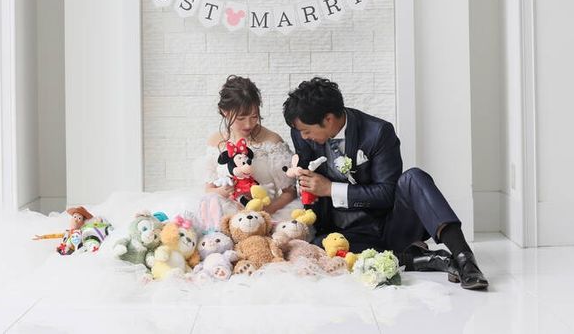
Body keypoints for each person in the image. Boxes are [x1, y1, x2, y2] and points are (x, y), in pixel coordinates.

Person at [283, 77, 489, 290]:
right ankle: (422, 259)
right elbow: (305, 167)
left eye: (307, 131)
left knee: (414, 178)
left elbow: (387, 193)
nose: (303, 136)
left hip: (389, 225)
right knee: (319, 248)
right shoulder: (301, 133)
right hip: (344, 232)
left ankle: (465, 259)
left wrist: (330, 188)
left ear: (328, 119)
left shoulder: (377, 132)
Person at [204, 75, 296, 216]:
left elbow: (290, 192)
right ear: (224, 112)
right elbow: (208, 189)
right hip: (225, 213)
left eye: (254, 117)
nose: (248, 125)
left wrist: (266, 211)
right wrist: (221, 192)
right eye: (241, 118)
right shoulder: (215, 141)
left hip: (266, 212)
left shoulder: (272, 141)